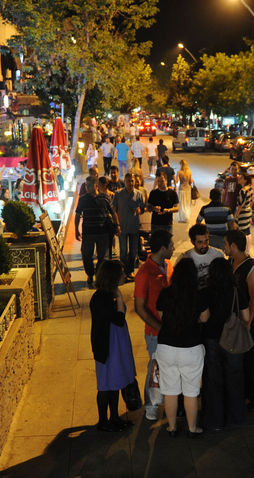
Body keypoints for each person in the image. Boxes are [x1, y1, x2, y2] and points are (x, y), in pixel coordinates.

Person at [155, 259, 210, 437]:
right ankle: (193, 429)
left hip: (166, 348)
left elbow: (161, 316)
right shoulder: (199, 296)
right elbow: (205, 318)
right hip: (191, 349)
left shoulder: (165, 294)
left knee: (170, 391)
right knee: (191, 391)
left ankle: (172, 428)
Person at [200, 257, 250, 431]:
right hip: (233, 341)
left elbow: (204, 318)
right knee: (235, 377)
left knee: (213, 380)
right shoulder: (236, 292)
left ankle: (215, 421)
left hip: (211, 339)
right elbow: (246, 317)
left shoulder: (205, 293)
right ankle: (238, 417)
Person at [90, 259, 137, 432]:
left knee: (115, 382)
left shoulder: (109, 295)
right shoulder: (101, 298)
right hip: (107, 348)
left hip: (116, 345)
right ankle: (103, 421)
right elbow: (118, 319)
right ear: (113, 276)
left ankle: (115, 417)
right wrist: (119, 298)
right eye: (122, 273)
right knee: (105, 385)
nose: (125, 275)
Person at [134, 229, 175, 422]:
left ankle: (167, 401)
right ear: (162, 248)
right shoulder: (144, 273)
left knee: (169, 367)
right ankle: (151, 404)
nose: (174, 248)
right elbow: (139, 307)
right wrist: (159, 328)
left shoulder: (168, 265)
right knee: (155, 369)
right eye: (171, 245)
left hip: (171, 329)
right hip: (155, 332)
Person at [224, 230, 254, 411]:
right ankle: (242, 392)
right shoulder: (231, 262)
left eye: (225, 244)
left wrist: (248, 324)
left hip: (248, 321)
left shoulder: (252, 268)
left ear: (233, 245)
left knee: (249, 356)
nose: (223, 247)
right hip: (235, 320)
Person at [75, 177, 118, 288]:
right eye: (86, 186)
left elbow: (113, 212)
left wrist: (117, 225)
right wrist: (76, 229)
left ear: (96, 186)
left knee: (102, 256)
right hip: (88, 233)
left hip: (102, 233)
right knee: (86, 255)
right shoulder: (83, 199)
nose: (87, 188)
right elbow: (77, 214)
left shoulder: (105, 197)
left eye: (89, 185)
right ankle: (90, 273)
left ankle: (98, 275)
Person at [113, 173, 147, 282]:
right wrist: (117, 224)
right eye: (128, 181)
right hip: (122, 226)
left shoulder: (139, 194)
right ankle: (123, 271)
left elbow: (143, 208)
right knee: (123, 250)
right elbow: (114, 210)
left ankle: (130, 270)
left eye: (132, 181)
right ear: (125, 182)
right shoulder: (118, 194)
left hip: (134, 226)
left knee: (133, 251)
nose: (131, 183)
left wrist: (139, 210)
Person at [178, 224, 225, 288]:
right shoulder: (185, 257)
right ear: (192, 242)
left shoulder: (218, 255)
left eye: (206, 241)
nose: (204, 245)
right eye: (200, 242)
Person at [234, 172, 254, 240]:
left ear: (245, 181)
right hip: (248, 212)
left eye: (241, 178)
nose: (239, 179)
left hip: (242, 214)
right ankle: (247, 250)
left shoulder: (243, 191)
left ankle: (243, 248)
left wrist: (237, 215)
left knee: (241, 233)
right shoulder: (250, 189)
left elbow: (240, 205)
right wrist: (248, 208)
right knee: (247, 232)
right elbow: (252, 201)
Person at [176, 160, 195, 224]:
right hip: (188, 190)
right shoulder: (189, 172)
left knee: (182, 204)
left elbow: (177, 181)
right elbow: (191, 181)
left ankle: (183, 218)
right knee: (187, 203)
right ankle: (186, 216)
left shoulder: (179, 172)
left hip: (181, 189)